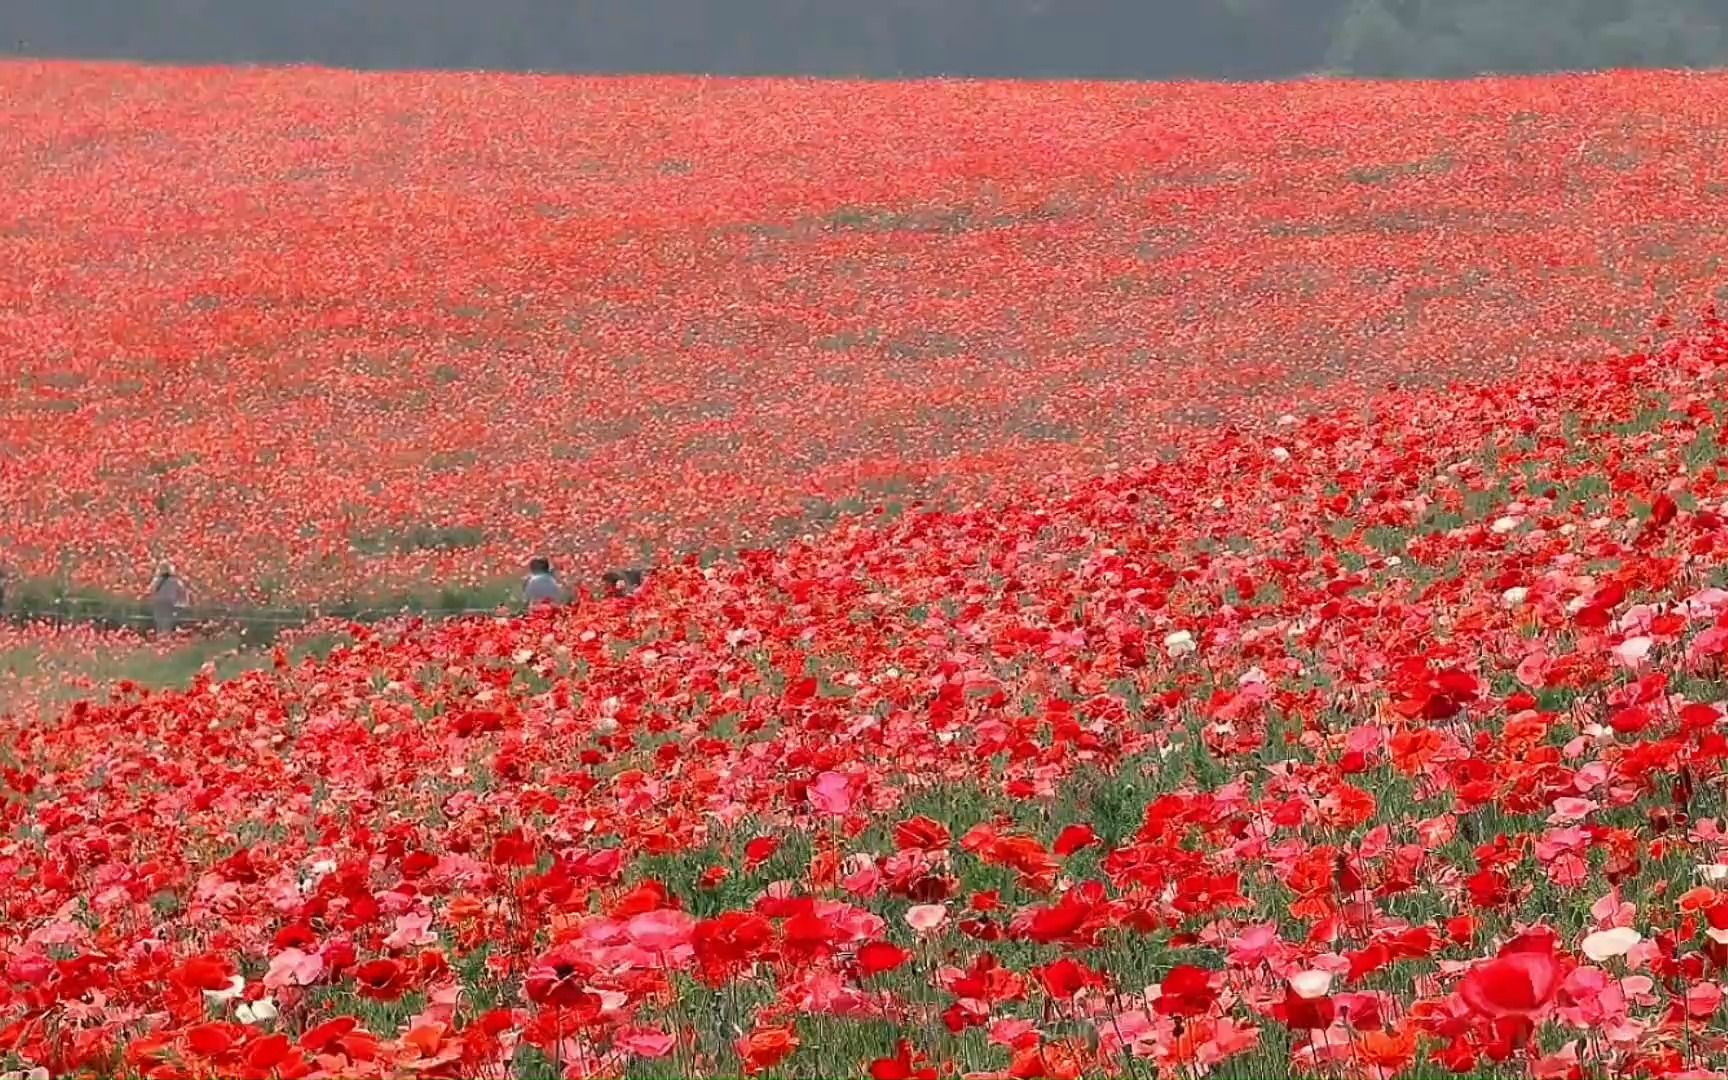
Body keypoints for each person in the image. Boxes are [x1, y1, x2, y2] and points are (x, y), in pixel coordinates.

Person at [150, 562, 190, 637]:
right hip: (169, 604)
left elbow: (152, 590)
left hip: (158, 604)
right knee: (167, 624)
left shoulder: (156, 580)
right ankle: (166, 640)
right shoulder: (175, 581)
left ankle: (160, 639)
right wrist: (184, 603)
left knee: (160, 624)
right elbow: (183, 591)